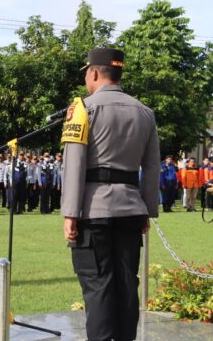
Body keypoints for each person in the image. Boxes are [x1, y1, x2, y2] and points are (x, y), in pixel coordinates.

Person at [62, 47, 159, 341]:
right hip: (131, 209)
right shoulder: (145, 112)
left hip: (94, 211)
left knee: (98, 288)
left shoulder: (82, 108)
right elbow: (152, 166)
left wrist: (70, 213)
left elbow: (74, 163)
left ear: (93, 72)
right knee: (128, 288)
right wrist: (148, 210)